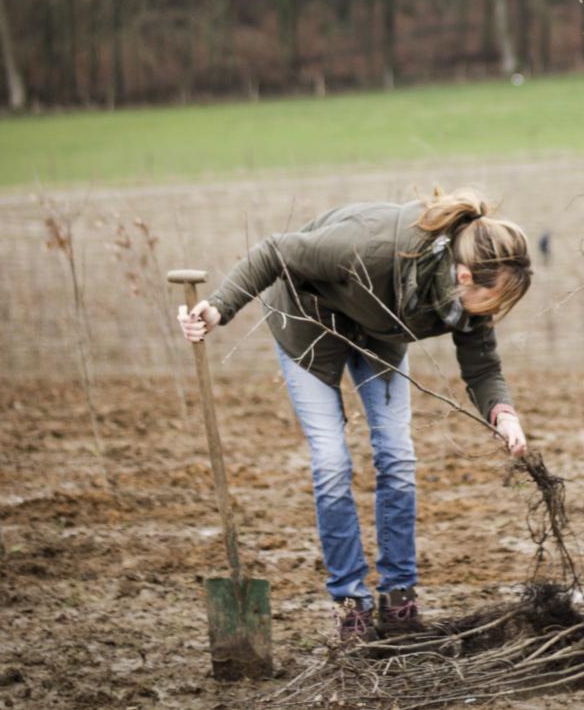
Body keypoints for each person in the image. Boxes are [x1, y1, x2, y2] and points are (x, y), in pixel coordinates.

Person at [176, 188, 532, 641]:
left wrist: (504, 415)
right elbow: (274, 251)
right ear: (463, 275)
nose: (495, 311)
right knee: (331, 462)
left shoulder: (463, 295)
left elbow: (482, 365)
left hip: (378, 333)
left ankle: (400, 597)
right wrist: (219, 308)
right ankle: (350, 604)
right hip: (309, 325)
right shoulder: (370, 249)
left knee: (398, 457)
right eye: (494, 300)